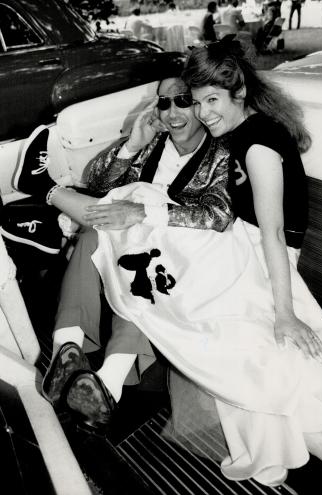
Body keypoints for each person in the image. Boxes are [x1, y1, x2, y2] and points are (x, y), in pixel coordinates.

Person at [7, 77, 232, 426]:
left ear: (201, 104)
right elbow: (98, 182)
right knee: (102, 231)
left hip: (176, 251)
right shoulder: (154, 142)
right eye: (163, 103)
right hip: (126, 237)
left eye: (183, 101)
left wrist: (144, 213)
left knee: (132, 253)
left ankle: (43, 191)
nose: (172, 112)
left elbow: (217, 215)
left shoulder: (220, 154)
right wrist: (131, 145)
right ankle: (82, 364)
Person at [177, 37, 322, 486]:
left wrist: (285, 314)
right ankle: (269, 451)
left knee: (256, 347)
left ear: (237, 94)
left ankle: (291, 444)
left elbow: (274, 233)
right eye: (197, 101)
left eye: (212, 100)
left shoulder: (260, 144)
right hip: (241, 247)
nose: (203, 113)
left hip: (267, 254)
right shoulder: (240, 130)